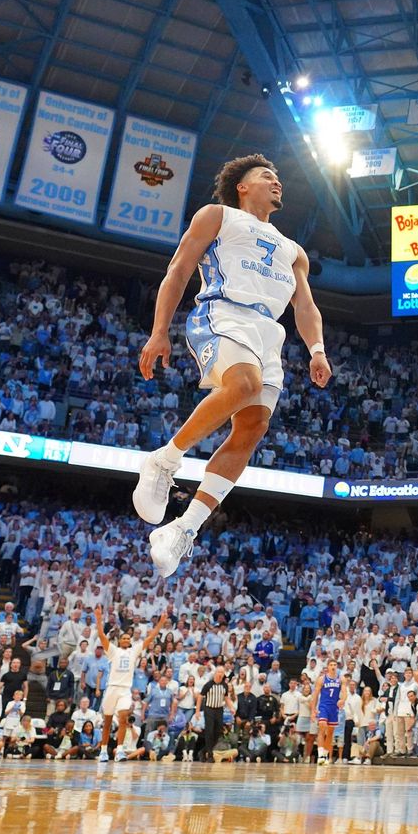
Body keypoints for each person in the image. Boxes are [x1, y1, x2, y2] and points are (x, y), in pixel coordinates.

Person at [132, 154, 333, 577]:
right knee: (242, 384)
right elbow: (179, 269)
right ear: (242, 186)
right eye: (266, 176)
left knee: (252, 430)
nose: (276, 182)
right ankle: (165, 460)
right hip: (223, 312)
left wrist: (316, 348)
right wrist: (158, 331)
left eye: (278, 177)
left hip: (269, 332)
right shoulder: (217, 215)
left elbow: (306, 305)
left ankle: (183, 528)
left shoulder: (294, 251)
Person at [93, 605, 167, 762]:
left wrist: (160, 623)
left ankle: (120, 750)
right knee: (106, 722)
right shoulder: (113, 651)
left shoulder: (134, 651)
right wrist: (99, 619)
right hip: (111, 688)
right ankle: (104, 751)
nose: (126, 640)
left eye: (128, 638)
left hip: (125, 690)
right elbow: (101, 636)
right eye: (123, 638)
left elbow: (150, 638)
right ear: (119, 641)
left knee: (123, 719)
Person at [309, 661, 341, 766]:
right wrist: (313, 710)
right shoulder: (322, 679)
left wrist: (343, 700)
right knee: (322, 727)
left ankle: (326, 755)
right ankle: (320, 755)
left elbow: (344, 692)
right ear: (327, 667)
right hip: (323, 706)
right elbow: (315, 695)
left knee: (330, 733)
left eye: (334, 665)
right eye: (331, 665)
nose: (333, 666)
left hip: (334, 708)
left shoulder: (340, 679)